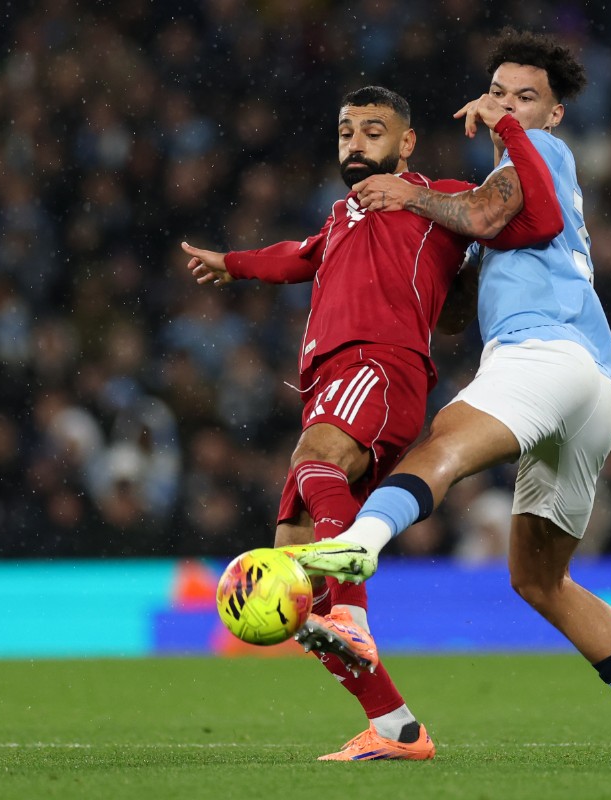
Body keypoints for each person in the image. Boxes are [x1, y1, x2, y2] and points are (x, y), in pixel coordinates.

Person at [279, 31, 611, 761]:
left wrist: (410, 194)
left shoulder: (539, 155)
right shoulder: (502, 196)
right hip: (593, 386)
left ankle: (356, 546)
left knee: (441, 445)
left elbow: (483, 214)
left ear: (553, 114)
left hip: (544, 354)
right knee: (540, 579)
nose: (505, 106)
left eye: (525, 97)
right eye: (498, 92)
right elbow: (456, 295)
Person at [180, 85, 562, 761]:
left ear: (407, 142)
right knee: (297, 580)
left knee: (316, 457)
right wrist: (233, 265)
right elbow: (300, 254)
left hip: (380, 364)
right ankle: (395, 726)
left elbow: (530, 217)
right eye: (345, 132)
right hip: (330, 382)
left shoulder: (436, 199)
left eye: (372, 131)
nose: (355, 143)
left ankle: (352, 613)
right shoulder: (343, 214)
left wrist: (510, 133)